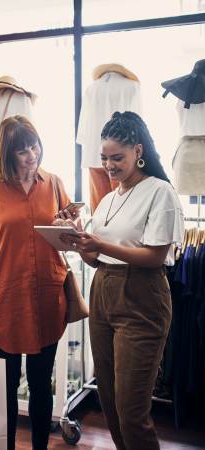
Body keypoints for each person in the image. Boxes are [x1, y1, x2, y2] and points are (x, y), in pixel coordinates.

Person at [60, 111, 184, 450]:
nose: (110, 165)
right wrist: (77, 237)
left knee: (131, 410)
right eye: (104, 158)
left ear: (138, 151)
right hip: (103, 292)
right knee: (111, 404)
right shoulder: (109, 199)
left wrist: (100, 244)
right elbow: (95, 258)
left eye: (118, 157)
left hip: (142, 297)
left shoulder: (160, 192)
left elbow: (156, 257)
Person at [0, 115, 79, 450]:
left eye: (35, 146)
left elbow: (71, 237)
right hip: (5, 299)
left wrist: (70, 227)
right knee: (7, 385)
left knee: (43, 384)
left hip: (47, 297)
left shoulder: (55, 184)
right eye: (22, 151)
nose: (32, 155)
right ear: (7, 154)